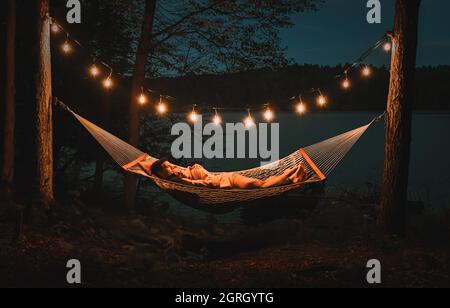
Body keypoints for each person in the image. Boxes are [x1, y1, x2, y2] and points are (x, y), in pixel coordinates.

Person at [145, 158, 309, 189]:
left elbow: (208, 179)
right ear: (161, 172)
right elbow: (205, 182)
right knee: (259, 184)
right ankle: (292, 177)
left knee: (258, 184)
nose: (172, 167)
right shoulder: (177, 182)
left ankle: (290, 174)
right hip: (224, 184)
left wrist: (195, 171)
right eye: (167, 167)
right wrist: (195, 179)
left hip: (227, 178)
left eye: (170, 165)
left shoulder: (183, 173)